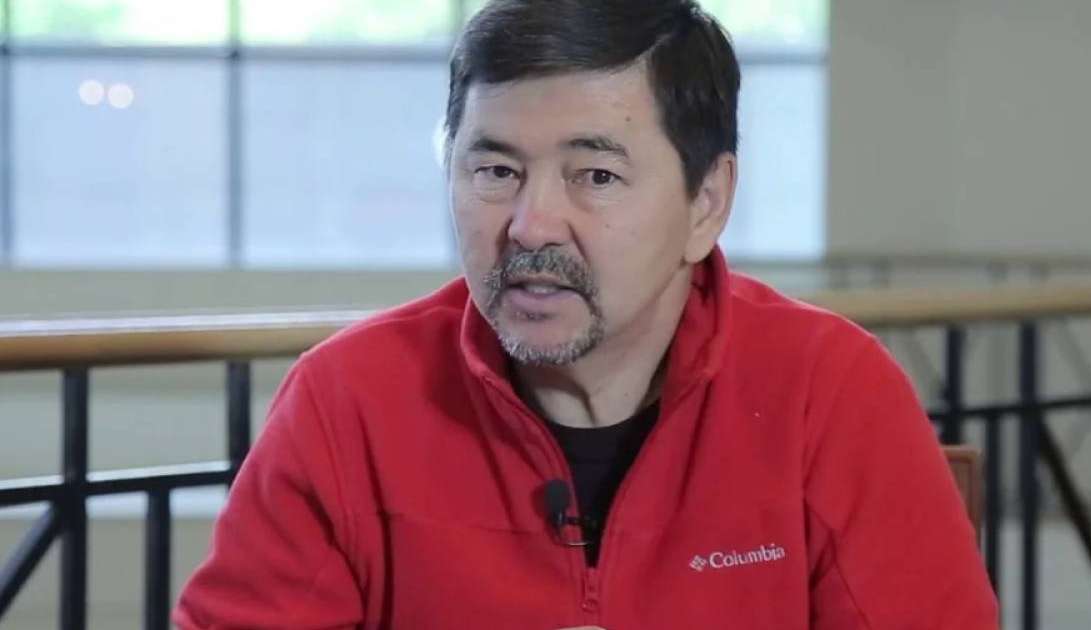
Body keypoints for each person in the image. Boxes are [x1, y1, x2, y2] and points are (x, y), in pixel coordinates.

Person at [174, 0, 998, 628]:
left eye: (595, 176)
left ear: (706, 203)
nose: (530, 225)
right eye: (495, 171)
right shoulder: (347, 400)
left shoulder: (830, 391)